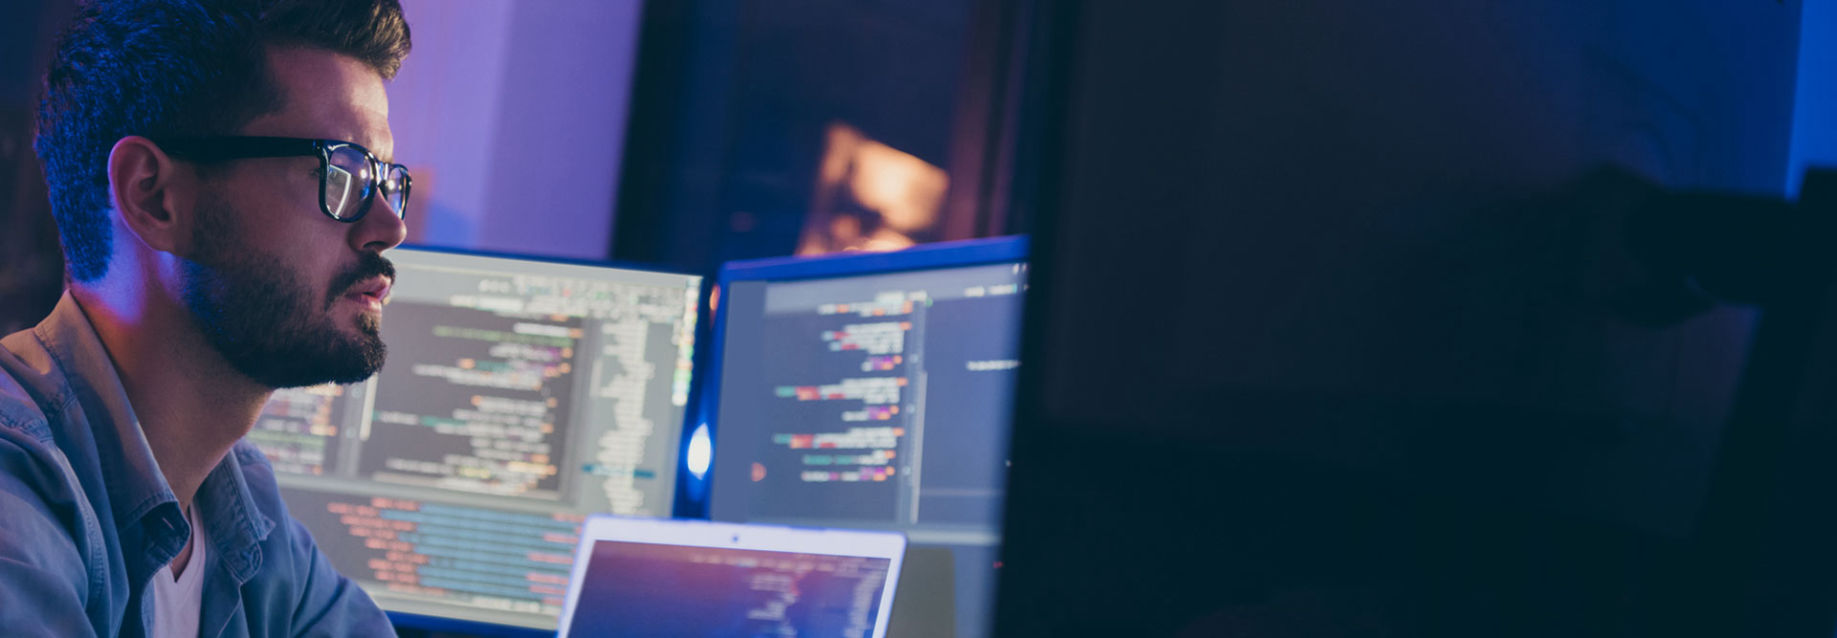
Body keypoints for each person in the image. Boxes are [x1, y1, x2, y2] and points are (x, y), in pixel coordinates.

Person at [0, 0, 414, 635]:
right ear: (154, 196)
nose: (390, 226)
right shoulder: (16, 491)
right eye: (343, 173)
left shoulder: (236, 500)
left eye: (385, 180)